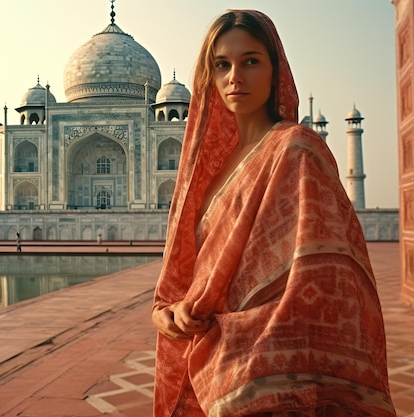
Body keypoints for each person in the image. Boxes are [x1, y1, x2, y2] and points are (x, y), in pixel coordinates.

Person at [151, 9, 396, 417]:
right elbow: (188, 280)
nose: (235, 77)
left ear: (275, 70)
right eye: (222, 65)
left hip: (261, 376)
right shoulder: (208, 176)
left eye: (251, 61)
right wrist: (170, 313)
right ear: (208, 78)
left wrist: (230, 338)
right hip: (208, 353)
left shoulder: (296, 149)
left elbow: (326, 284)